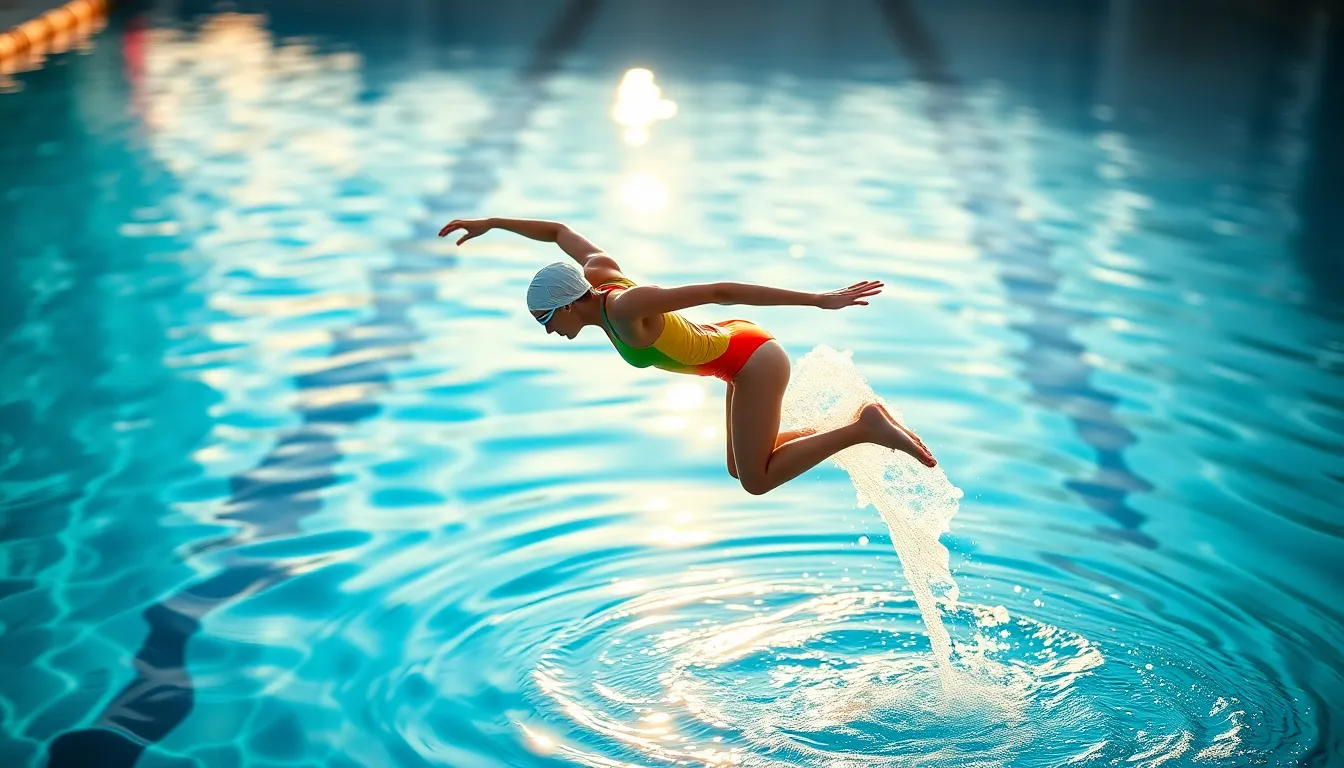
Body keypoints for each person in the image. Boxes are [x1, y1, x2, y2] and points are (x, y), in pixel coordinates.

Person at [438, 217, 937, 495]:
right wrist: (491, 224)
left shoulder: (627, 306)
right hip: (732, 355)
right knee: (739, 467)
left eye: (547, 320)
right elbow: (558, 232)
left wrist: (819, 299)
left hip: (753, 358)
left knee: (756, 481)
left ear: (569, 304)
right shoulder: (596, 270)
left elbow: (719, 290)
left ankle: (863, 428)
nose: (550, 331)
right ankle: (850, 422)